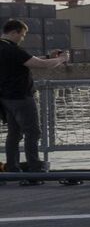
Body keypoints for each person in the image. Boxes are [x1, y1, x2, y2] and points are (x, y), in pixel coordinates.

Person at [1, 19, 66, 172]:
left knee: (14, 134)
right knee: (32, 132)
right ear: (13, 32)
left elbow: (28, 61)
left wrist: (48, 56)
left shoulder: (3, 48)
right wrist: (62, 59)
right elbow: (43, 66)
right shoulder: (13, 50)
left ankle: (12, 166)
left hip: (6, 98)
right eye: (22, 35)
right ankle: (35, 166)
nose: (22, 38)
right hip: (21, 98)